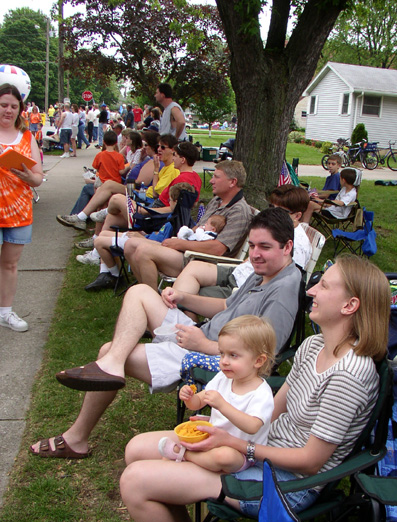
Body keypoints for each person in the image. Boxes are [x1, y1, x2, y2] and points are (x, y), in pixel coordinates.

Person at [118, 254, 391, 522]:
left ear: (349, 306)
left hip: (286, 483)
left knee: (135, 482)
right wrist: (227, 424)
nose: (312, 291)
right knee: (136, 449)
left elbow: (311, 461)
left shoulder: (351, 375)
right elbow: (274, 409)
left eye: (325, 286)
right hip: (259, 449)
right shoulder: (314, 345)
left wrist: (235, 444)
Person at [29, 207, 301, 458]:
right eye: (252, 246)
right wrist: (182, 297)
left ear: (288, 246)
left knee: (109, 351)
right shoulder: (262, 271)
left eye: (264, 247)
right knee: (140, 292)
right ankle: (111, 365)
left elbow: (266, 355)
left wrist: (204, 344)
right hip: (200, 336)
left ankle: (76, 437)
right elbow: (225, 305)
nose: (255, 254)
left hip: (215, 359)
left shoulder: (283, 291)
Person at [159, 315, 275, 473]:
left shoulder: (261, 392)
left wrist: (222, 405)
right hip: (213, 439)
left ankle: (185, 455)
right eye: (222, 354)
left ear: (258, 361)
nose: (224, 361)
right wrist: (190, 398)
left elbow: (252, 426)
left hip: (242, 454)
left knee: (224, 456)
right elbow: (199, 403)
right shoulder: (223, 378)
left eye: (233, 355)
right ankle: (188, 458)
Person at [171, 184, 312, 310]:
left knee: (190, 297)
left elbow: (284, 283)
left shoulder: (297, 244)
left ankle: (179, 322)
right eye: (271, 207)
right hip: (238, 272)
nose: (273, 213)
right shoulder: (275, 228)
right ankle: (176, 316)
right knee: (194, 267)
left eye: (280, 211)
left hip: (242, 288)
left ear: (297, 215)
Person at [124, 160, 252, 291]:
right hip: (189, 252)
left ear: (232, 182)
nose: (211, 181)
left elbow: (217, 249)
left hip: (204, 262)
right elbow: (198, 228)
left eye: (216, 177)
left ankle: (150, 299)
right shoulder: (217, 201)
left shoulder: (239, 210)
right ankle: (148, 291)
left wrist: (180, 244)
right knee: (130, 245)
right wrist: (181, 238)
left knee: (144, 251)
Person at [0, 83, 43, 332]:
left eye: (13, 106)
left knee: (10, 264)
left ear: (20, 109)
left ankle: (5, 312)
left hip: (18, 209)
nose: (8, 110)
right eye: (3, 105)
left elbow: (38, 177)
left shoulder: (27, 137)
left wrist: (27, 175)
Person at [56, 130, 126, 231]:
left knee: (99, 205)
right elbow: (121, 171)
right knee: (102, 205)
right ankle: (96, 231)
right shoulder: (119, 156)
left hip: (102, 182)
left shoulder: (100, 155)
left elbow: (96, 168)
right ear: (116, 143)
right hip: (115, 182)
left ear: (104, 142)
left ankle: (85, 221)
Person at [302, 155, 342, 223]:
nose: (330, 166)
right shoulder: (330, 177)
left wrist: (313, 195)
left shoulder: (336, 177)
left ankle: (304, 222)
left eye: (333, 164)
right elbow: (324, 191)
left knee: (304, 201)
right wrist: (312, 191)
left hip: (328, 203)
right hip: (323, 201)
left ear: (339, 165)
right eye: (328, 163)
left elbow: (326, 195)